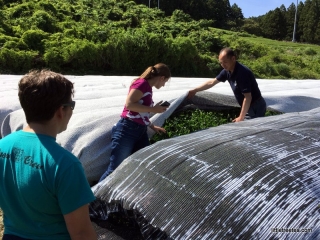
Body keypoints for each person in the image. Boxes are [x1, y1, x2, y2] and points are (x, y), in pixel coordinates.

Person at [0, 70, 97, 240]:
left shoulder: (3, 146)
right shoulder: (65, 164)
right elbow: (81, 233)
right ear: (61, 111)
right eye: (71, 106)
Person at [99, 63, 171, 182]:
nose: (163, 85)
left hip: (140, 131)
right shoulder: (141, 83)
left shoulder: (148, 87)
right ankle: (93, 198)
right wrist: (154, 109)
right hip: (127, 130)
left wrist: (152, 126)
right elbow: (130, 105)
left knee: (144, 164)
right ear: (162, 77)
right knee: (114, 170)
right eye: (165, 82)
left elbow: (140, 113)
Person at [188, 47, 266, 122]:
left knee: (250, 130)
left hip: (255, 106)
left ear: (233, 59)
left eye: (225, 62)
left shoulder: (242, 73)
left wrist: (241, 117)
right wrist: (195, 90)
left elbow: (248, 97)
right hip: (248, 106)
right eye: (221, 63)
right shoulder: (227, 71)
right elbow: (212, 82)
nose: (223, 65)